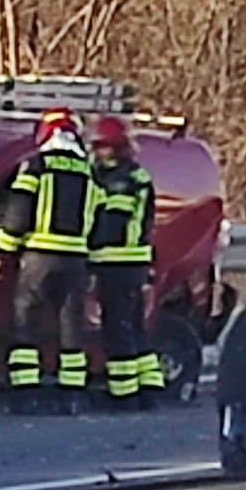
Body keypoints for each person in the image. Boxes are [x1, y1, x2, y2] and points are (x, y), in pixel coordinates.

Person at [0, 108, 101, 414]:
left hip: (39, 258)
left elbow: (18, 213)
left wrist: (4, 252)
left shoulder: (36, 166)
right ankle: (72, 396)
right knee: (70, 328)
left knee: (26, 320)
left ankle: (27, 393)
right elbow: (97, 220)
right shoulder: (87, 171)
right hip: (76, 261)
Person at [88, 116, 161, 411]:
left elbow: (107, 225)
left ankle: (123, 394)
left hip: (115, 262)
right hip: (135, 263)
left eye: (101, 148)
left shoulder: (118, 183)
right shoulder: (139, 177)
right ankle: (149, 386)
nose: (97, 154)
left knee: (117, 328)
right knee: (133, 326)